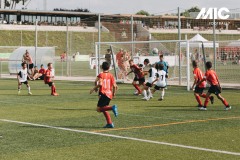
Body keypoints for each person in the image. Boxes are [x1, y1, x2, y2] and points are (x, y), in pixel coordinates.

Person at [90, 62, 118, 128]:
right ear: (109, 68)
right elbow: (115, 86)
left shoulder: (101, 75)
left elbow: (99, 84)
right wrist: (114, 93)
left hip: (103, 93)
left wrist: (93, 89)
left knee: (98, 109)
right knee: (104, 108)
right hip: (109, 94)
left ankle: (112, 107)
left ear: (102, 67)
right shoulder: (111, 75)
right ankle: (109, 123)